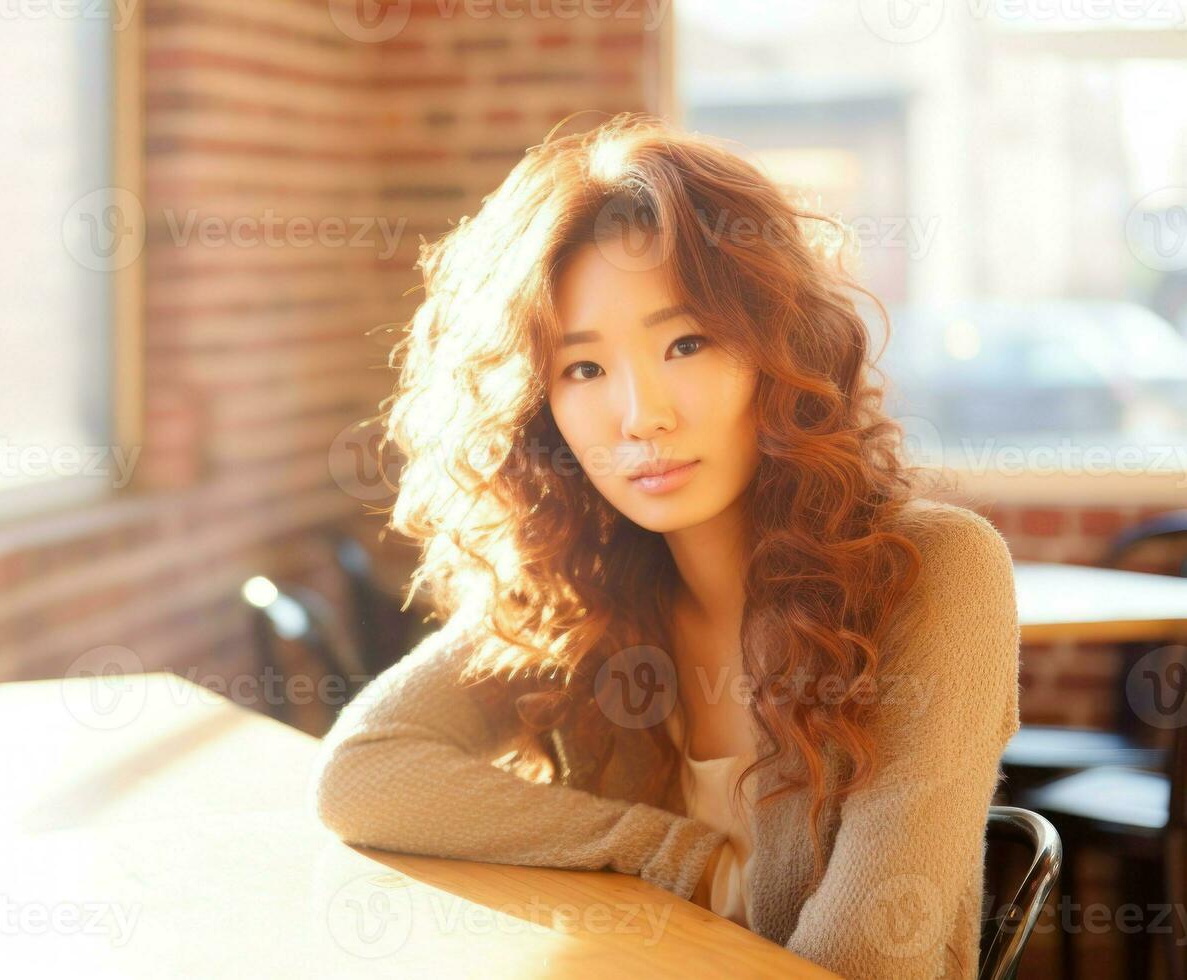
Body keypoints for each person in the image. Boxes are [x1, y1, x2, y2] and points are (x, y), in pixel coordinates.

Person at [309, 112, 1020, 979]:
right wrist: (667, 853)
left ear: (778, 348)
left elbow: (867, 960)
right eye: (583, 369)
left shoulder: (933, 571)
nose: (641, 415)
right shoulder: (579, 586)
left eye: (687, 343)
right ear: (539, 407)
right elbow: (363, 771)